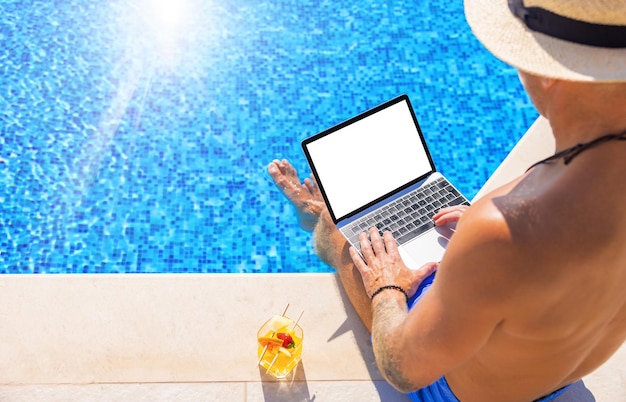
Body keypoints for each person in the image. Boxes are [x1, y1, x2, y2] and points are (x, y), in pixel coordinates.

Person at [269, 0, 626, 400]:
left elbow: (403, 369)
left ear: (548, 74)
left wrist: (387, 288)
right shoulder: (509, 227)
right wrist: (489, 250)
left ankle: (317, 216)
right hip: (557, 376)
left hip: (459, 390)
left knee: (341, 237)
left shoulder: (503, 230)